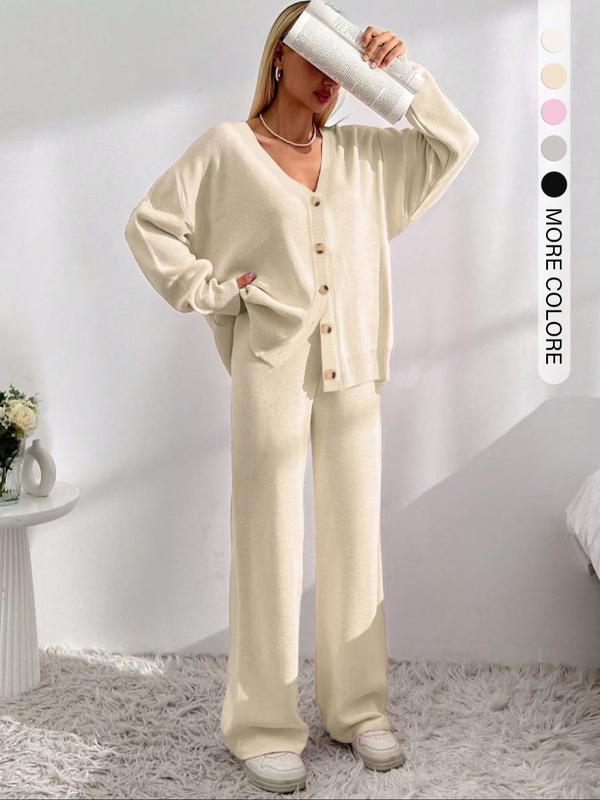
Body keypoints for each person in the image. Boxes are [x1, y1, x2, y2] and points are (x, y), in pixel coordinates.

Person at [124, 1, 479, 793]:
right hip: (271, 369)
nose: (329, 80)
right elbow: (150, 226)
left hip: (354, 366)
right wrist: (217, 292)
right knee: (268, 543)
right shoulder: (226, 149)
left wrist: (401, 75)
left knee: (354, 542)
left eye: (343, 68)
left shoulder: (363, 157)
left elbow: (455, 142)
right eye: (317, 58)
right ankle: (260, 726)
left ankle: (358, 709)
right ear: (279, 58)